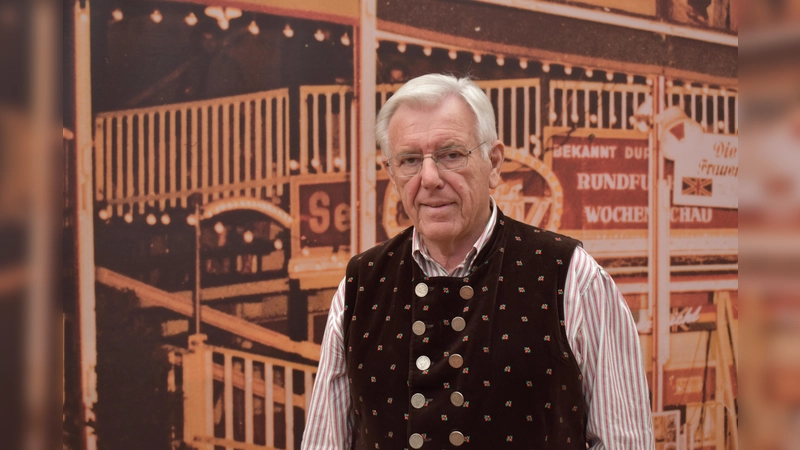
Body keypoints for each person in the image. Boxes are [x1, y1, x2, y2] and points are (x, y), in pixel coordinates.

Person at [302, 74, 653, 449]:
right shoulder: (358, 287)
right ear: (391, 173)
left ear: (495, 163)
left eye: (451, 154)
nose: (430, 178)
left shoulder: (571, 277)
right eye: (409, 160)